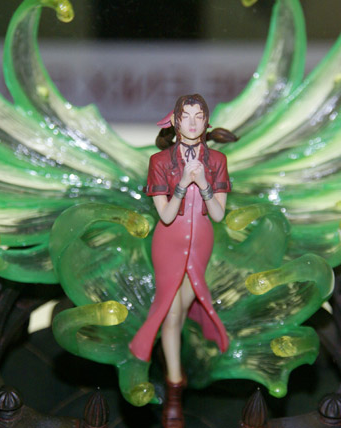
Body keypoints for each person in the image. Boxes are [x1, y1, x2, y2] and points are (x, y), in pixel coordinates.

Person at [129, 94, 236, 427]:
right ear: (175, 121)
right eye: (185, 116)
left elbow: (217, 215)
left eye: (198, 116)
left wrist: (203, 183)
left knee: (184, 306)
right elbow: (165, 217)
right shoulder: (160, 161)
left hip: (201, 244)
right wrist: (181, 186)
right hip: (168, 244)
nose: (192, 122)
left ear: (206, 122)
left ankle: (176, 369)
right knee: (171, 312)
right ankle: (175, 386)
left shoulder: (217, 160)